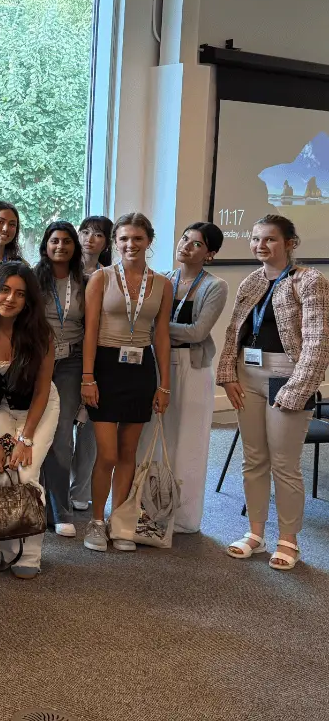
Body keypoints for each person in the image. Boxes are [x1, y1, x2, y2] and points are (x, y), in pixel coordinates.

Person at [217, 215, 329, 570]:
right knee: (253, 459)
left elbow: (318, 341)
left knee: (284, 464)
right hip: (247, 375)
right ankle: (255, 533)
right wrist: (227, 374)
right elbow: (235, 332)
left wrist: (298, 389)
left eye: (270, 239)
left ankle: (289, 541)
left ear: (290, 243)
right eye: (255, 239)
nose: (260, 246)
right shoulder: (251, 281)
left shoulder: (310, 281)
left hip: (288, 376)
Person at [81, 212, 172, 553]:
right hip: (105, 366)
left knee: (128, 453)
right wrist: (87, 378)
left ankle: (121, 521)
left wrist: (165, 385)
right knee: (106, 453)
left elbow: (161, 335)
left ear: (149, 241)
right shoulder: (101, 279)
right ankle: (96, 521)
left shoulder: (163, 283)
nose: (130, 245)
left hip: (141, 368)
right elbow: (90, 331)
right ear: (115, 243)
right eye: (123, 239)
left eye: (137, 238)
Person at [0, 263, 60, 579]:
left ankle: (29, 554)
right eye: (4, 290)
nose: (10, 298)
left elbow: (44, 389)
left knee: (27, 474)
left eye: (19, 293)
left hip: (37, 409)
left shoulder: (41, 334)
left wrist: (25, 439)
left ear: (28, 300)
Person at [153, 222, 227, 533]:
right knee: (156, 438)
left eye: (197, 244)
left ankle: (184, 518)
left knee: (188, 442)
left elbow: (198, 332)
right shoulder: (164, 279)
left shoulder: (215, 286)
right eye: (185, 238)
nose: (186, 246)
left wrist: (154, 327)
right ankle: (151, 509)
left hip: (192, 366)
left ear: (209, 254)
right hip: (159, 363)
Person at [34, 221, 85, 539]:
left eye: (67, 241)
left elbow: (91, 326)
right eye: (55, 241)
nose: (60, 246)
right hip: (38, 361)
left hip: (71, 363)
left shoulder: (86, 280)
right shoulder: (34, 278)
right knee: (34, 431)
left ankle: (60, 509)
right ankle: (34, 503)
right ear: (45, 245)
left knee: (63, 436)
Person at [70, 215, 114, 511]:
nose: (89, 238)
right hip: (65, 354)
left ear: (107, 242)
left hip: (98, 356)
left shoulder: (110, 275)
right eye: (84, 232)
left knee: (89, 430)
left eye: (97, 234)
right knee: (61, 426)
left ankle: (80, 491)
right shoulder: (64, 270)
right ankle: (55, 486)